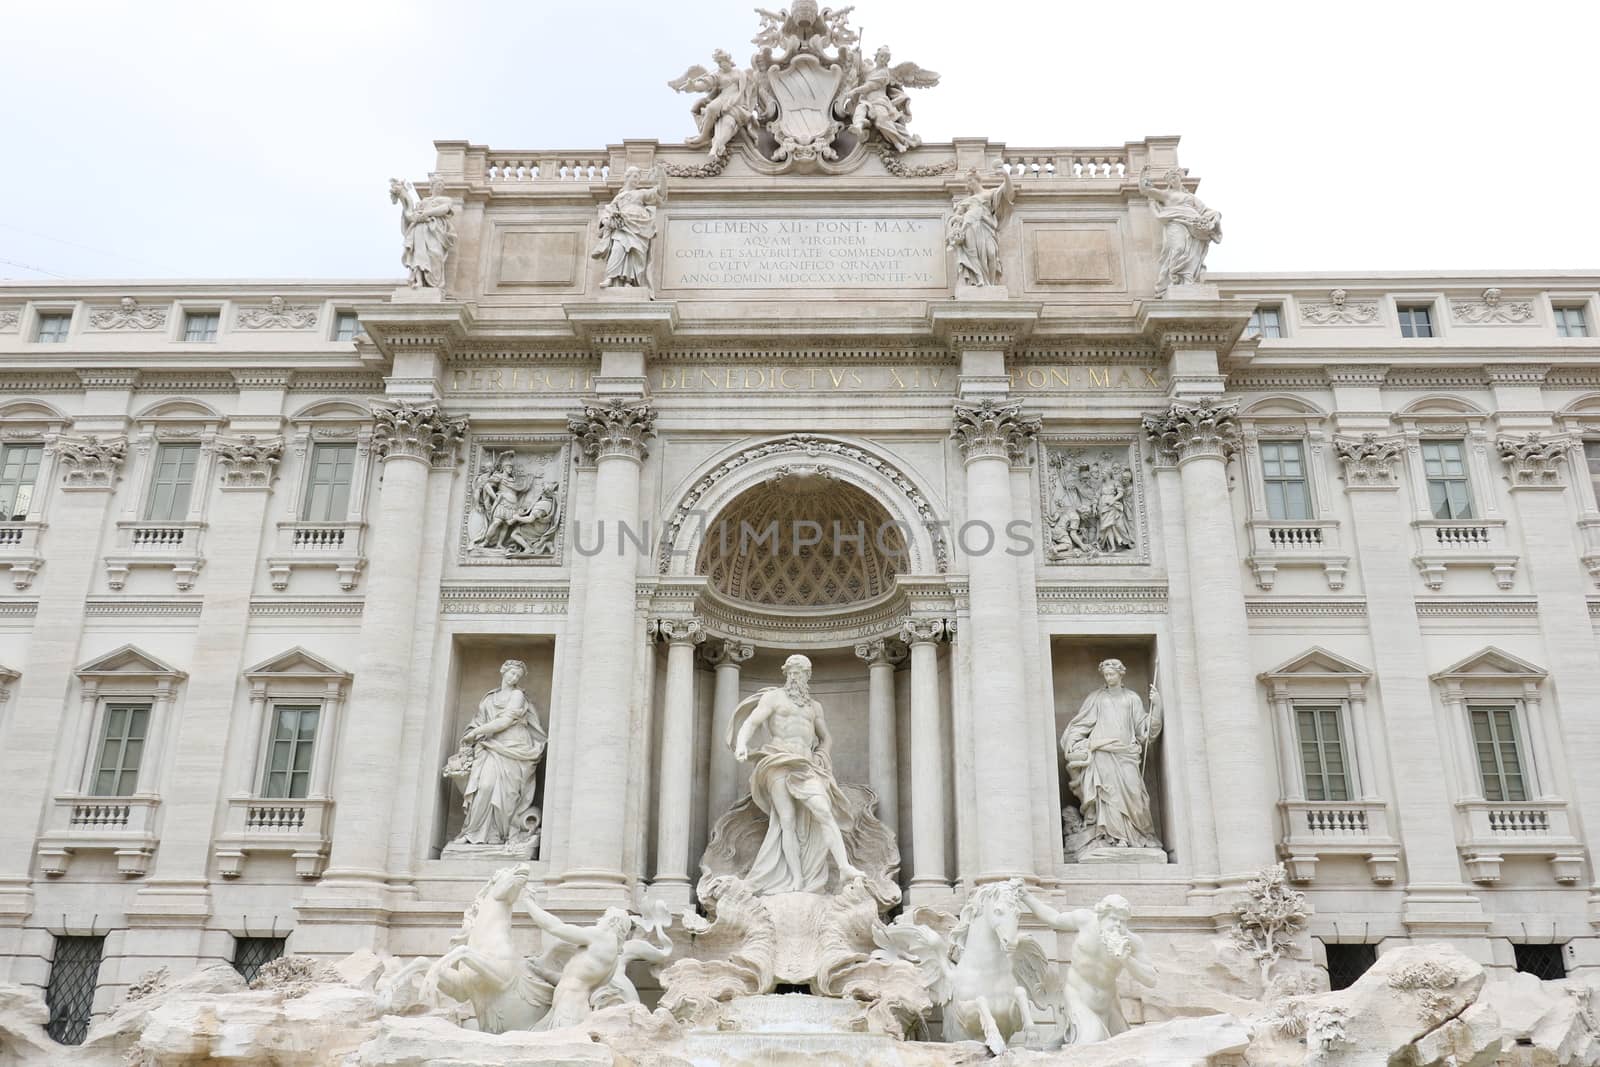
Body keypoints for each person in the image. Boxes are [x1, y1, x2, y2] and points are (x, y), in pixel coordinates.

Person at [730, 654, 865, 893]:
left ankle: (844, 867)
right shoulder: (774, 698)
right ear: (785, 674)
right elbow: (751, 722)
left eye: (800, 672)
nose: (795, 677)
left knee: (824, 811)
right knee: (787, 821)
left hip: (806, 764)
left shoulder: (814, 707)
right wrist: (741, 743)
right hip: (778, 760)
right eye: (791, 672)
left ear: (807, 676)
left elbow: (826, 737)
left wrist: (822, 754)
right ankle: (796, 879)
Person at [1021, 891, 1156, 1044]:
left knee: (1125, 1045)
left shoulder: (1132, 942)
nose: (1118, 925)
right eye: (1113, 919)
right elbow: (1054, 919)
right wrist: (1026, 896)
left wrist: (1126, 960)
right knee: (1092, 1040)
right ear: (1101, 916)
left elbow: (1151, 980)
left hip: (1109, 1004)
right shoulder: (1085, 920)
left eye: (1123, 921)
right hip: (1078, 997)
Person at [1060, 659, 1162, 851]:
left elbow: (1144, 731)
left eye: (1112, 674)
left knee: (1135, 796)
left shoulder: (1132, 698)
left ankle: (1138, 835)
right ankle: (1114, 838)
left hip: (1127, 754)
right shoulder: (1096, 698)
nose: (1108, 677)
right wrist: (1074, 742)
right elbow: (1080, 725)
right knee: (1109, 796)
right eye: (1106, 675)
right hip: (1103, 754)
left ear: (1120, 674)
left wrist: (1157, 707)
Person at [451, 660, 546, 847]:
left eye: (518, 676)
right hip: (491, 746)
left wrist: (476, 733)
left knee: (508, 794)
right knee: (485, 786)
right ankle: (472, 832)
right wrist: (473, 734)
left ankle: (498, 835)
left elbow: (504, 721)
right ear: (503, 671)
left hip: (514, 747)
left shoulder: (518, 695)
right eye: (512, 673)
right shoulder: (489, 698)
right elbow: (478, 721)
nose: (514, 678)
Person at [1138, 166, 1221, 296]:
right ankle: (1175, 278)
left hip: (1193, 224)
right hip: (1175, 222)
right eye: (1170, 178)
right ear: (1168, 182)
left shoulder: (1190, 197)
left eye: (1174, 177)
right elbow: (1145, 190)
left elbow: (1204, 210)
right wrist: (1143, 175)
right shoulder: (1166, 194)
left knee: (1191, 252)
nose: (1173, 180)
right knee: (1178, 248)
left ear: (1179, 178)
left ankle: (1187, 279)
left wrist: (1216, 215)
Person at [591, 166, 666, 294]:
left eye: (638, 177)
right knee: (617, 249)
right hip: (622, 225)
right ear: (627, 177)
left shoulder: (641, 193)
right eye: (635, 176)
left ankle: (629, 281)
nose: (637, 180)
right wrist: (606, 220)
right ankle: (611, 278)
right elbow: (608, 211)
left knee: (635, 252)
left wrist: (661, 176)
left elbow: (660, 192)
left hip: (639, 226)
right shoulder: (618, 197)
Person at [946, 167, 1014, 288]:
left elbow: (1008, 193)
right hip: (970, 228)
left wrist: (1006, 176)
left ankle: (991, 284)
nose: (968, 184)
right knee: (973, 254)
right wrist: (956, 223)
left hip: (986, 227)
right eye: (967, 181)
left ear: (976, 180)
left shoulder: (990, 193)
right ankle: (980, 279)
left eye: (969, 180)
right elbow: (955, 217)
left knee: (991, 253)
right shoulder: (966, 201)